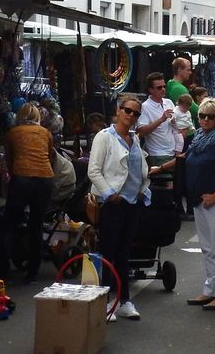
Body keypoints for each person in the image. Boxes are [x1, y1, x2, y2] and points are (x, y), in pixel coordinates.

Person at [153, 99, 215, 311]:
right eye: (202, 116)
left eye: (211, 116)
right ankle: (209, 290)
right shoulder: (201, 138)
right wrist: (160, 168)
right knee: (207, 248)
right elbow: (185, 157)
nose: (205, 120)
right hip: (199, 200)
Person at [87, 96, 152, 321]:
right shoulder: (104, 137)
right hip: (113, 204)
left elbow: (141, 168)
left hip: (132, 202)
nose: (131, 116)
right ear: (118, 110)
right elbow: (93, 170)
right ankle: (105, 302)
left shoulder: (135, 139)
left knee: (124, 253)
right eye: (127, 111)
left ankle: (124, 300)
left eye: (136, 113)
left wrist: (144, 189)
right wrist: (109, 194)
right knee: (108, 253)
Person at [0, 103, 55, 283]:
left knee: (9, 224)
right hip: (45, 178)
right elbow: (50, 156)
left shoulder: (12, 133)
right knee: (36, 225)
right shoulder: (46, 133)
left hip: (22, 177)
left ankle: (3, 270)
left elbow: (10, 160)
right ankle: (33, 273)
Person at [136, 72, 177, 179]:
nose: (163, 89)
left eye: (164, 86)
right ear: (150, 90)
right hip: (158, 153)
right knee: (168, 185)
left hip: (173, 151)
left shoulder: (168, 102)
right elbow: (142, 131)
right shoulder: (145, 107)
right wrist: (161, 119)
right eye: (159, 87)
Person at [167, 57, 199, 128]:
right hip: (183, 129)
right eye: (188, 70)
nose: (190, 73)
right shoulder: (179, 88)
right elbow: (194, 110)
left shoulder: (170, 83)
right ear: (179, 70)